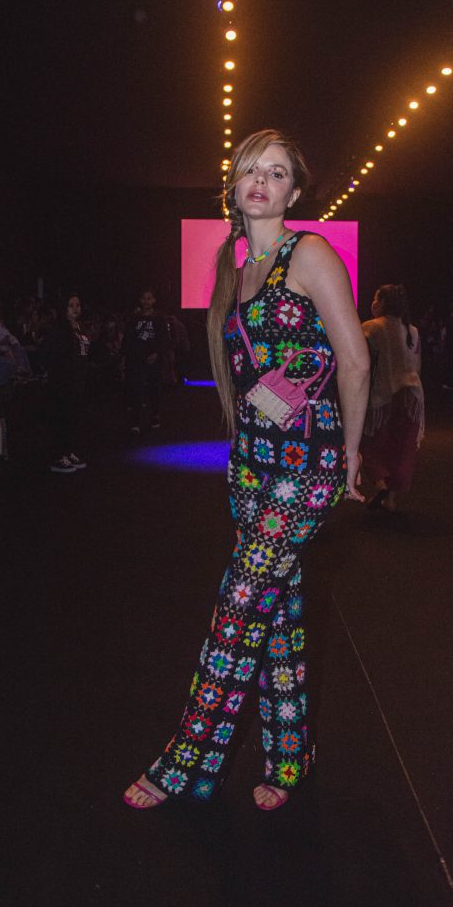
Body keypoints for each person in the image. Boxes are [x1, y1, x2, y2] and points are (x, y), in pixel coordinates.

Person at [124, 129, 370, 812]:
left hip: (306, 463)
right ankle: (289, 759)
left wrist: (350, 453)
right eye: (250, 171)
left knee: (238, 608)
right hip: (253, 465)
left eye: (277, 172)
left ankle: (187, 762)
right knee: (276, 613)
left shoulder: (309, 253)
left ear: (295, 191)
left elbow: (353, 360)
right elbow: (246, 380)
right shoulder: (235, 268)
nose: (261, 182)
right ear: (233, 186)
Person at [360, 284, 424, 512]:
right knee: (402, 447)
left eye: (376, 298)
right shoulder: (412, 330)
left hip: (383, 395)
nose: (373, 303)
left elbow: (360, 360)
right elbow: (417, 364)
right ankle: (391, 498)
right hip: (411, 395)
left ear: (383, 303)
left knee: (370, 442)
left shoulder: (371, 327)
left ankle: (381, 483)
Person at [43, 294, 89, 474]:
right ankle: (57, 455)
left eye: (78, 305)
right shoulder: (59, 329)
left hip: (78, 380)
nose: (75, 308)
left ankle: (69, 451)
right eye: (71, 305)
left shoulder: (80, 327)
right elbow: (51, 353)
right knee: (61, 418)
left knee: (74, 418)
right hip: (63, 381)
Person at [122, 289, 172, 433]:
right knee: (136, 389)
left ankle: (155, 415)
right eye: (144, 298)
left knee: (154, 388)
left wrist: (157, 354)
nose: (146, 301)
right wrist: (126, 357)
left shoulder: (160, 318)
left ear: (154, 300)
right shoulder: (134, 318)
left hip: (154, 359)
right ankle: (136, 420)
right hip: (136, 359)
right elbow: (128, 338)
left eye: (149, 298)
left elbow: (164, 338)